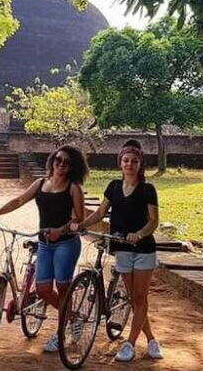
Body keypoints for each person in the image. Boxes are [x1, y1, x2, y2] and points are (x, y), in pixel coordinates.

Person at [0, 145, 88, 353]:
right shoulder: (41, 183)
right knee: (42, 289)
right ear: (52, 160)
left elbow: (80, 218)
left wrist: (61, 230)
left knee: (63, 288)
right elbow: (19, 199)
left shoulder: (73, 188)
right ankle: (72, 318)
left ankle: (60, 334)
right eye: (58, 160)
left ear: (72, 167)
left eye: (66, 162)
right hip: (44, 243)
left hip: (66, 243)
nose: (60, 165)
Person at [71, 144, 163, 362]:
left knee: (140, 297)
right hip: (121, 248)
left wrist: (139, 234)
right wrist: (82, 225)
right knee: (134, 299)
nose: (129, 164)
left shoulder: (147, 189)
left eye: (134, 161)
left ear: (140, 164)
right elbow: (101, 212)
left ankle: (129, 344)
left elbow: (153, 221)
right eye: (126, 160)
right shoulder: (113, 187)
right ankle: (151, 338)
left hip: (143, 249)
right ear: (120, 163)